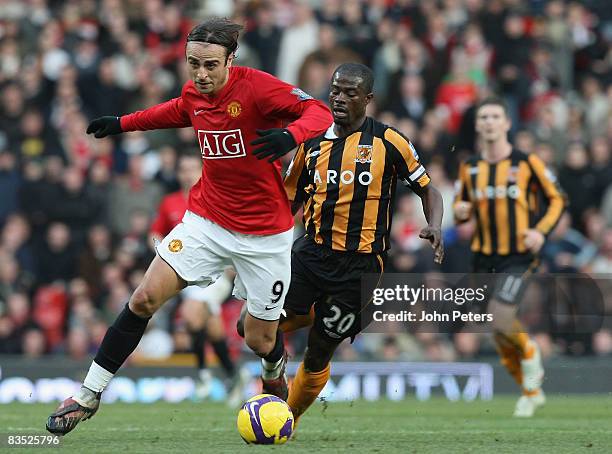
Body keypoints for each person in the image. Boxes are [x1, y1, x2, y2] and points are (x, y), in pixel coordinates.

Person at [46, 17, 332, 435]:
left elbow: (320, 112)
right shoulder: (194, 92)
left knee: (259, 340)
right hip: (207, 221)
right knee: (143, 298)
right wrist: (122, 123)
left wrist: (291, 136)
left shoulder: (258, 87)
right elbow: (177, 111)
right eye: (193, 63)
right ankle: (87, 395)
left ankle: (272, 367)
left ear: (231, 60)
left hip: (265, 235)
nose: (201, 74)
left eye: (211, 65)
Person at [238, 63, 445, 426]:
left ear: (368, 99)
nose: (339, 98)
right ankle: (300, 327)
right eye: (335, 90)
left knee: (319, 351)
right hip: (309, 256)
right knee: (249, 328)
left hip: (360, 267)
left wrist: (435, 226)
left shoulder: (389, 141)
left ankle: (287, 419)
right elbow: (287, 201)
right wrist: (253, 242)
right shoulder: (311, 142)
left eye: (350, 93)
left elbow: (428, 188)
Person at [453, 97, 565, 417]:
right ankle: (531, 391)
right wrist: (460, 213)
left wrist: (540, 231)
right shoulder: (470, 167)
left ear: (506, 123)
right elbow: (462, 211)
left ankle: (530, 353)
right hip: (483, 257)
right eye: (483, 116)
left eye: (495, 116)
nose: (489, 121)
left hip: (518, 254)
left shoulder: (527, 162)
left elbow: (557, 199)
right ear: (477, 125)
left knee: (501, 317)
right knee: (496, 327)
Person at [148, 154, 248, 406]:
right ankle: (234, 375)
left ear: (203, 170)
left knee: (191, 313)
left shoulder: (215, 196)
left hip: (216, 272)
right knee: (210, 325)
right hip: (185, 271)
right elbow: (156, 232)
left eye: (192, 168)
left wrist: (232, 263)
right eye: (182, 168)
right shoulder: (169, 202)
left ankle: (203, 375)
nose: (187, 173)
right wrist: (162, 253)